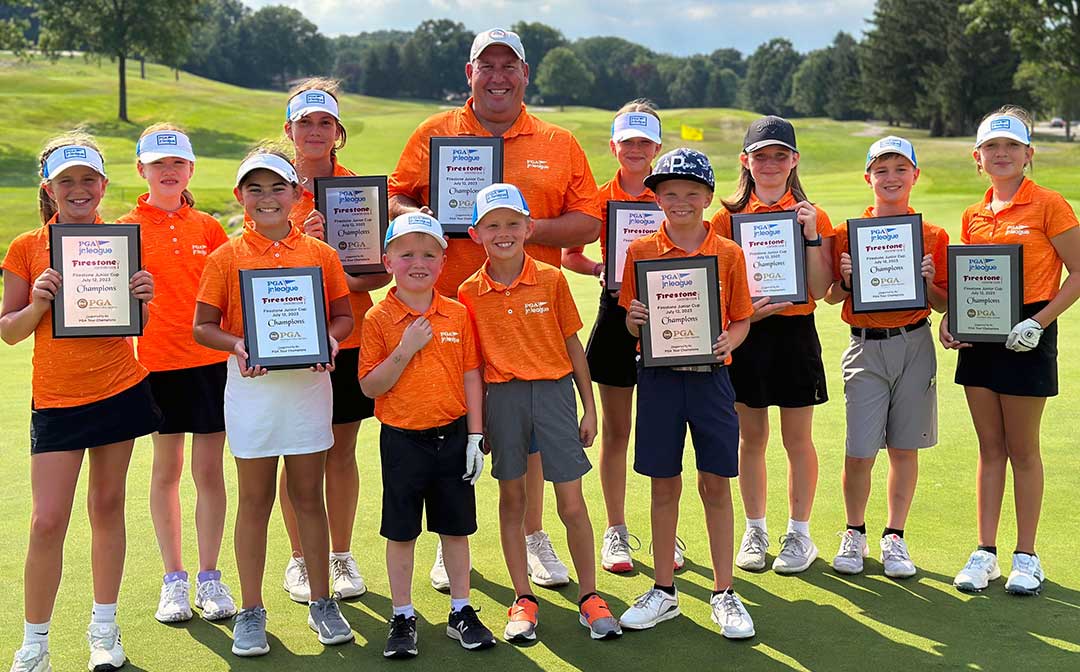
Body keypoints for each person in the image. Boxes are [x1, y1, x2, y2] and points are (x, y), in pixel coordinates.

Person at [389, 27, 602, 590]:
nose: (499, 76)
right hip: (447, 313)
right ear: (469, 73)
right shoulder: (436, 133)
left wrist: (517, 230)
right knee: (441, 428)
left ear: (525, 74)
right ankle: (448, 543)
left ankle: (534, 539)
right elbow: (396, 195)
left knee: (525, 444)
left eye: (510, 65)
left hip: (526, 320)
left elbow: (590, 220)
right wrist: (428, 217)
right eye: (488, 65)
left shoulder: (558, 141)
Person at [2, 133, 161, 672]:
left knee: (107, 507)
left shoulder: (122, 241)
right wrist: (40, 301)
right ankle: (36, 642)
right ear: (48, 188)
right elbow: (9, 331)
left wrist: (143, 295)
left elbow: (136, 323)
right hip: (56, 400)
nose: (78, 190)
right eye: (66, 181)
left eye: (88, 180)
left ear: (103, 185)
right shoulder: (26, 247)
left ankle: (104, 631)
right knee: (47, 520)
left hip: (118, 389)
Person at [193, 150, 354, 656]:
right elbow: (203, 326)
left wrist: (329, 340)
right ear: (240, 196)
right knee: (255, 501)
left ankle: (322, 601)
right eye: (255, 189)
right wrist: (238, 345)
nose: (267, 199)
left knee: (309, 496)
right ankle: (251, 610)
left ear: (296, 195)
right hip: (252, 389)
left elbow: (343, 317)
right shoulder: (225, 256)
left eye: (277, 188)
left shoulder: (321, 254)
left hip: (308, 387)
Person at [458, 183, 621, 643]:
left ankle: (591, 597)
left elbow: (573, 346)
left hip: (555, 397)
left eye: (513, 223)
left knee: (571, 502)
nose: (503, 232)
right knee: (513, 501)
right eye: (492, 225)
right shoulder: (469, 291)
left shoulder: (552, 279)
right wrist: (478, 425)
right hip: (503, 401)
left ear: (530, 228)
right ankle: (523, 598)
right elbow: (471, 365)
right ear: (476, 234)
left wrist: (590, 407)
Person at [616, 148, 756, 639]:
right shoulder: (640, 252)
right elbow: (633, 319)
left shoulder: (729, 253)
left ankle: (724, 591)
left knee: (716, 482)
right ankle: (664, 590)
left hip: (711, 380)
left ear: (707, 197)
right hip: (658, 380)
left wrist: (729, 340)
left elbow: (740, 319)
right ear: (656, 199)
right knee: (662, 482)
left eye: (691, 194)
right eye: (669, 194)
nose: (680, 202)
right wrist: (633, 322)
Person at [941, 107, 1080, 595]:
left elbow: (1078, 272)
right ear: (978, 158)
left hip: (1029, 335)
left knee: (1023, 448)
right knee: (989, 447)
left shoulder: (1050, 204)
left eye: (1011, 147)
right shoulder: (973, 215)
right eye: (991, 148)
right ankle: (985, 552)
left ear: (1028, 154)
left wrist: (1039, 323)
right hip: (981, 341)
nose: (1001, 154)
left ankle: (1027, 555)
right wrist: (952, 323)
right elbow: (970, 282)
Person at [358, 212, 496, 658]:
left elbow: (472, 374)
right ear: (388, 260)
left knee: (455, 530)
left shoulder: (456, 311)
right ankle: (403, 615)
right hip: (402, 439)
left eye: (429, 254)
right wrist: (405, 349)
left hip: (453, 436)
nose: (419, 262)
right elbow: (370, 386)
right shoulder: (380, 317)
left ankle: (461, 609)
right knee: (401, 533)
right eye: (407, 253)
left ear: (443, 261)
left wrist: (476, 435)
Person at [276, 78, 391, 604]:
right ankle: (302, 559)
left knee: (341, 452)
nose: (315, 131)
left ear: (338, 132)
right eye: (306, 123)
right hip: (288, 341)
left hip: (347, 339)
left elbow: (377, 274)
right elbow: (254, 263)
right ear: (289, 129)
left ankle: (340, 556)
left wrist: (330, 260)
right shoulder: (272, 185)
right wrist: (304, 246)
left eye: (325, 123)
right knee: (297, 454)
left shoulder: (358, 192)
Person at [116, 124, 237, 624]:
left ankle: (210, 576)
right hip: (155, 365)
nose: (168, 172)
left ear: (190, 169)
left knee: (208, 472)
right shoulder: (122, 229)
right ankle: (174, 578)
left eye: (177, 164)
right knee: (166, 472)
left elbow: (229, 293)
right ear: (141, 170)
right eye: (158, 164)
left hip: (209, 365)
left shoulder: (209, 228)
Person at [709, 116, 834, 575]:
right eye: (761, 156)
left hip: (796, 334)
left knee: (797, 439)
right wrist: (744, 312)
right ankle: (756, 528)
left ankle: (800, 534)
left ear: (794, 160)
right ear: (746, 161)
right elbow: (717, 286)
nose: (770, 164)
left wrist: (811, 236)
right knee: (752, 437)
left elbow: (820, 288)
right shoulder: (725, 218)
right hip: (748, 334)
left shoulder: (811, 214)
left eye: (780, 155)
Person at [562, 101, 683, 574]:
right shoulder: (597, 197)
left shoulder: (672, 193)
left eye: (644, 142)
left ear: (656, 146)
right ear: (614, 147)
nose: (635, 150)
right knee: (617, 431)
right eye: (627, 142)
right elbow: (571, 254)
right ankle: (616, 531)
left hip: (671, 311)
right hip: (616, 314)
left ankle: (664, 534)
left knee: (664, 429)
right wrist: (599, 268)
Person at [825, 136, 948, 578]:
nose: (891, 178)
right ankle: (854, 531)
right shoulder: (847, 231)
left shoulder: (933, 235)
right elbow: (829, 296)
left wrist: (931, 281)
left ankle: (894, 536)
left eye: (900, 169)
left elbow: (939, 304)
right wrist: (845, 279)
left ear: (915, 175)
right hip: (864, 346)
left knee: (904, 448)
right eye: (882, 170)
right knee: (859, 451)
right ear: (868, 177)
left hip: (914, 343)